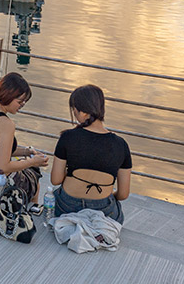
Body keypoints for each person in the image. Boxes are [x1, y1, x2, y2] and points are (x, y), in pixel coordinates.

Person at [50, 84, 133, 223]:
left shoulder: (68, 137)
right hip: (103, 211)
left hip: (67, 206)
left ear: (82, 112)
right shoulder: (121, 144)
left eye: (74, 110)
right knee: (115, 207)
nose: (74, 114)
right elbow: (123, 194)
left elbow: (56, 180)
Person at [0, 72, 49, 201]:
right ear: (8, 95)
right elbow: (3, 167)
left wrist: (26, 152)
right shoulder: (5, 123)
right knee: (33, 174)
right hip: (1, 190)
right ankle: (31, 211)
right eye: (20, 101)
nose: (22, 105)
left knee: (26, 166)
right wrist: (33, 161)